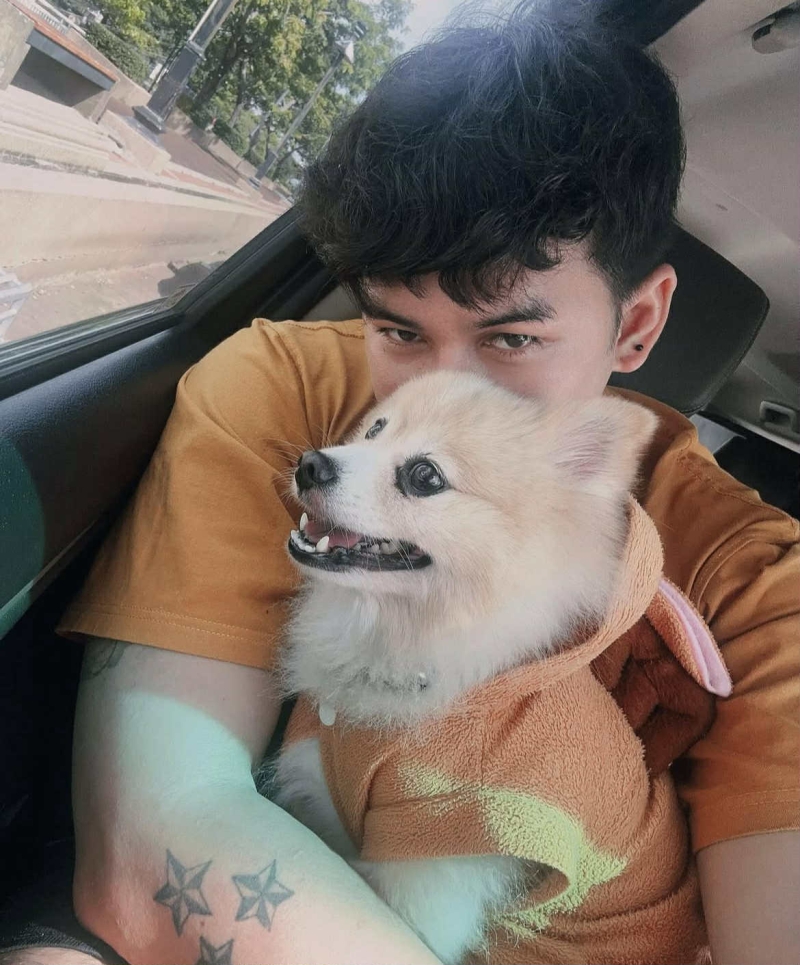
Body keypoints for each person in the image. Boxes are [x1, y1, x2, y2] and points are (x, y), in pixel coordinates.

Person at [2, 2, 798, 963]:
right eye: (397, 328)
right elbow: (154, 839)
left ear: (636, 325)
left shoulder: (758, 578)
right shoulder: (282, 385)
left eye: (512, 337)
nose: (436, 391)